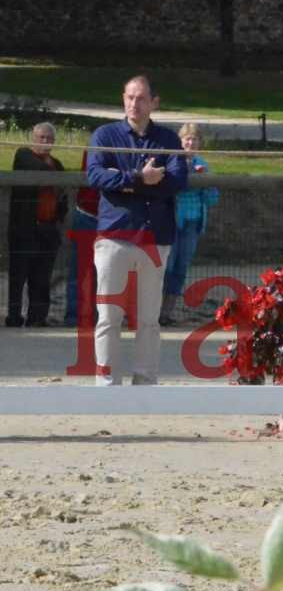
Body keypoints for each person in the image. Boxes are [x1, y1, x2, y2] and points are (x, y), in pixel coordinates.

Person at [85, 75, 188, 385]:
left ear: (153, 102)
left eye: (141, 98)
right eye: (130, 97)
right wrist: (139, 178)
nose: (134, 104)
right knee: (109, 317)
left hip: (155, 239)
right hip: (114, 237)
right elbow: (96, 177)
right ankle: (106, 383)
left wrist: (126, 183)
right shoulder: (105, 134)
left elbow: (176, 181)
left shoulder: (168, 140)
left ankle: (145, 382)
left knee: (148, 320)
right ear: (123, 98)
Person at [6, 121, 67, 327]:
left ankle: (37, 317)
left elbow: (64, 193)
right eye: (42, 138)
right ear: (34, 138)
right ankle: (13, 317)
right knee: (18, 276)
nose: (46, 142)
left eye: (50, 139)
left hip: (48, 228)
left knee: (42, 278)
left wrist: (59, 220)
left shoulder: (56, 164)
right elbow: (39, 170)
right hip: (24, 228)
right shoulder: (23, 155)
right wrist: (55, 176)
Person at [160, 123, 220, 326]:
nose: (190, 142)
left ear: (199, 143)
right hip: (172, 223)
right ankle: (153, 310)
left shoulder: (203, 164)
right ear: (180, 141)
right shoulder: (171, 162)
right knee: (166, 268)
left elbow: (212, 199)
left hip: (193, 224)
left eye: (194, 139)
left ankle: (166, 313)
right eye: (187, 138)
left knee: (180, 268)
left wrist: (204, 181)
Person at [63, 145, 100, 328]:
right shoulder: (96, 145)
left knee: (106, 273)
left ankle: (99, 316)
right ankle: (74, 316)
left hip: (112, 218)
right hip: (88, 214)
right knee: (80, 270)